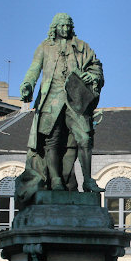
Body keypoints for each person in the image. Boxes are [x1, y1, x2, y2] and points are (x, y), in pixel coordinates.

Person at [16, 13, 104, 204]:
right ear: (54, 27)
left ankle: (88, 180)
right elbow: (34, 69)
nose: (64, 29)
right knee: (51, 140)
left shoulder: (82, 47)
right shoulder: (44, 48)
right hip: (51, 100)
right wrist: (27, 85)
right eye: (61, 26)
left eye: (67, 26)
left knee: (85, 138)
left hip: (75, 99)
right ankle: (55, 179)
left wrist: (93, 77)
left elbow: (96, 66)